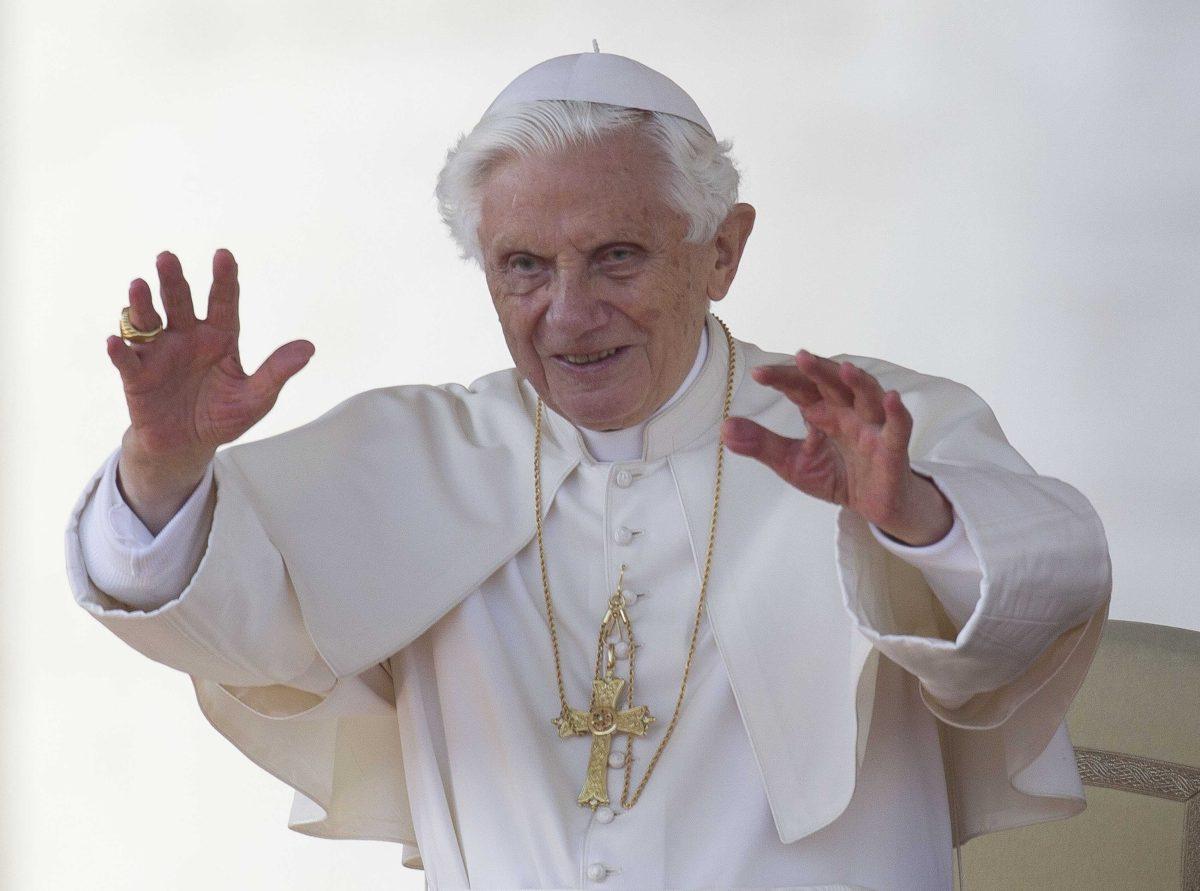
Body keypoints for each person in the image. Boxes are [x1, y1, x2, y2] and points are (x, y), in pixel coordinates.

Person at [65, 49, 1112, 891]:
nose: (568, 314)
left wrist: (912, 519)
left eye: (618, 256)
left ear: (722, 251)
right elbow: (221, 625)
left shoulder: (865, 427)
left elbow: (1048, 592)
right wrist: (163, 466)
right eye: (524, 266)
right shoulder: (413, 456)